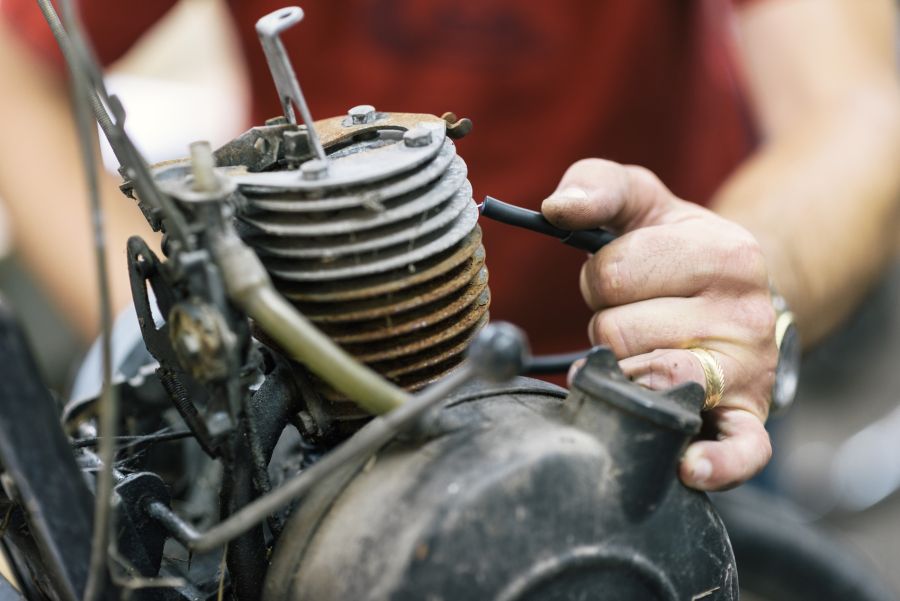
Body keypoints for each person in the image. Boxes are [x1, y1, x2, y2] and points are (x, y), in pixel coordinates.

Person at [0, 0, 898, 492]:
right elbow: (14, 59)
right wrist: (173, 327)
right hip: (304, 416)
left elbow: (856, 109)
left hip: (652, 387)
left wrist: (733, 285)